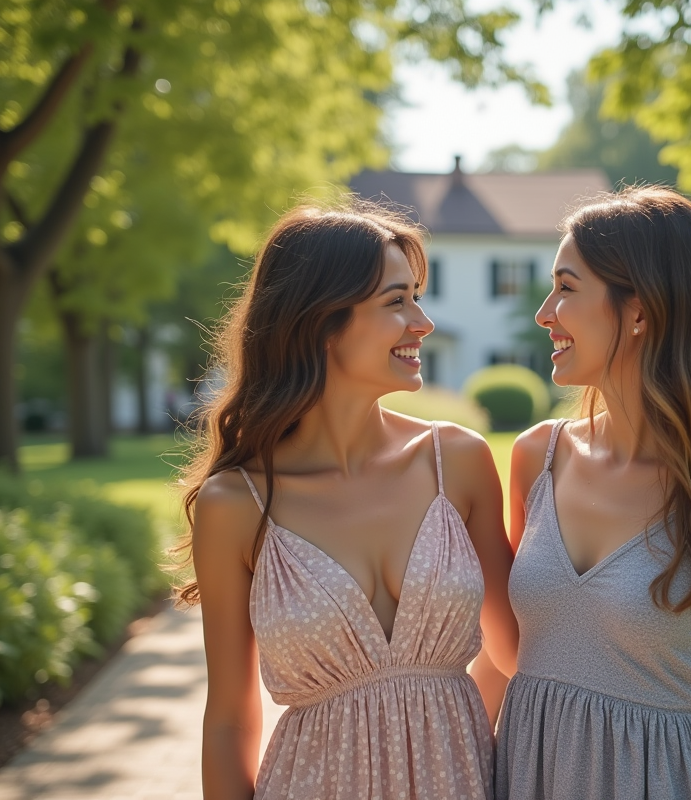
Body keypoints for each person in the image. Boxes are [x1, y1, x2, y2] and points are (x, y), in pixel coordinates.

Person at [174, 202, 519, 800]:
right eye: (396, 302)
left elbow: (523, 649)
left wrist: (676, 720)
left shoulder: (456, 462)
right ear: (322, 323)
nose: (423, 322)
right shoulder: (235, 504)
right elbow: (230, 718)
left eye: (417, 296)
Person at [495, 186, 691, 800]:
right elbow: (506, 653)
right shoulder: (536, 458)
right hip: (526, 778)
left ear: (640, 312)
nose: (545, 311)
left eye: (567, 288)